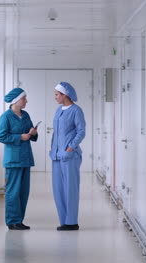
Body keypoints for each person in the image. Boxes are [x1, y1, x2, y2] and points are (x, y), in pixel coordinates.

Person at [0, 87, 38, 230]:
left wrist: (32, 133)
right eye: (24, 98)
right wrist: (20, 137)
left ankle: (19, 220)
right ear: (16, 100)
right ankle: (12, 221)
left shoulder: (25, 115)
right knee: (13, 192)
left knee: (23, 192)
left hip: (25, 158)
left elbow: (31, 134)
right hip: (13, 160)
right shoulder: (6, 117)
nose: (26, 101)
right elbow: (1, 136)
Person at [49, 82, 86, 231]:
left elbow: (81, 131)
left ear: (65, 95)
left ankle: (72, 222)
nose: (55, 97)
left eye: (57, 94)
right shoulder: (58, 110)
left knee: (70, 189)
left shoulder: (76, 110)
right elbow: (56, 132)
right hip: (56, 156)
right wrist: (53, 150)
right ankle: (63, 221)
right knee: (58, 189)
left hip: (70, 157)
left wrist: (70, 148)